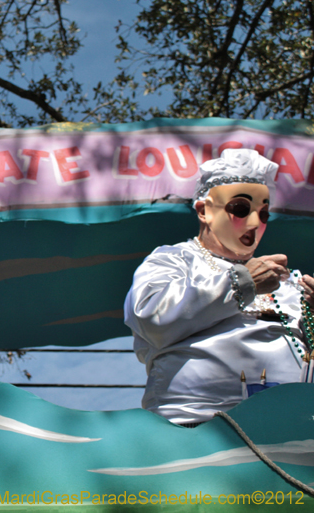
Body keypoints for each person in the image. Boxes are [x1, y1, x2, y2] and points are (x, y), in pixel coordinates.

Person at [124, 149, 314, 425]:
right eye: (240, 209)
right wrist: (241, 284)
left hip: (289, 433)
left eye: (263, 214)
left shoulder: (286, 282)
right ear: (204, 211)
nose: (254, 223)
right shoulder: (173, 259)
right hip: (195, 431)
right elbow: (150, 318)